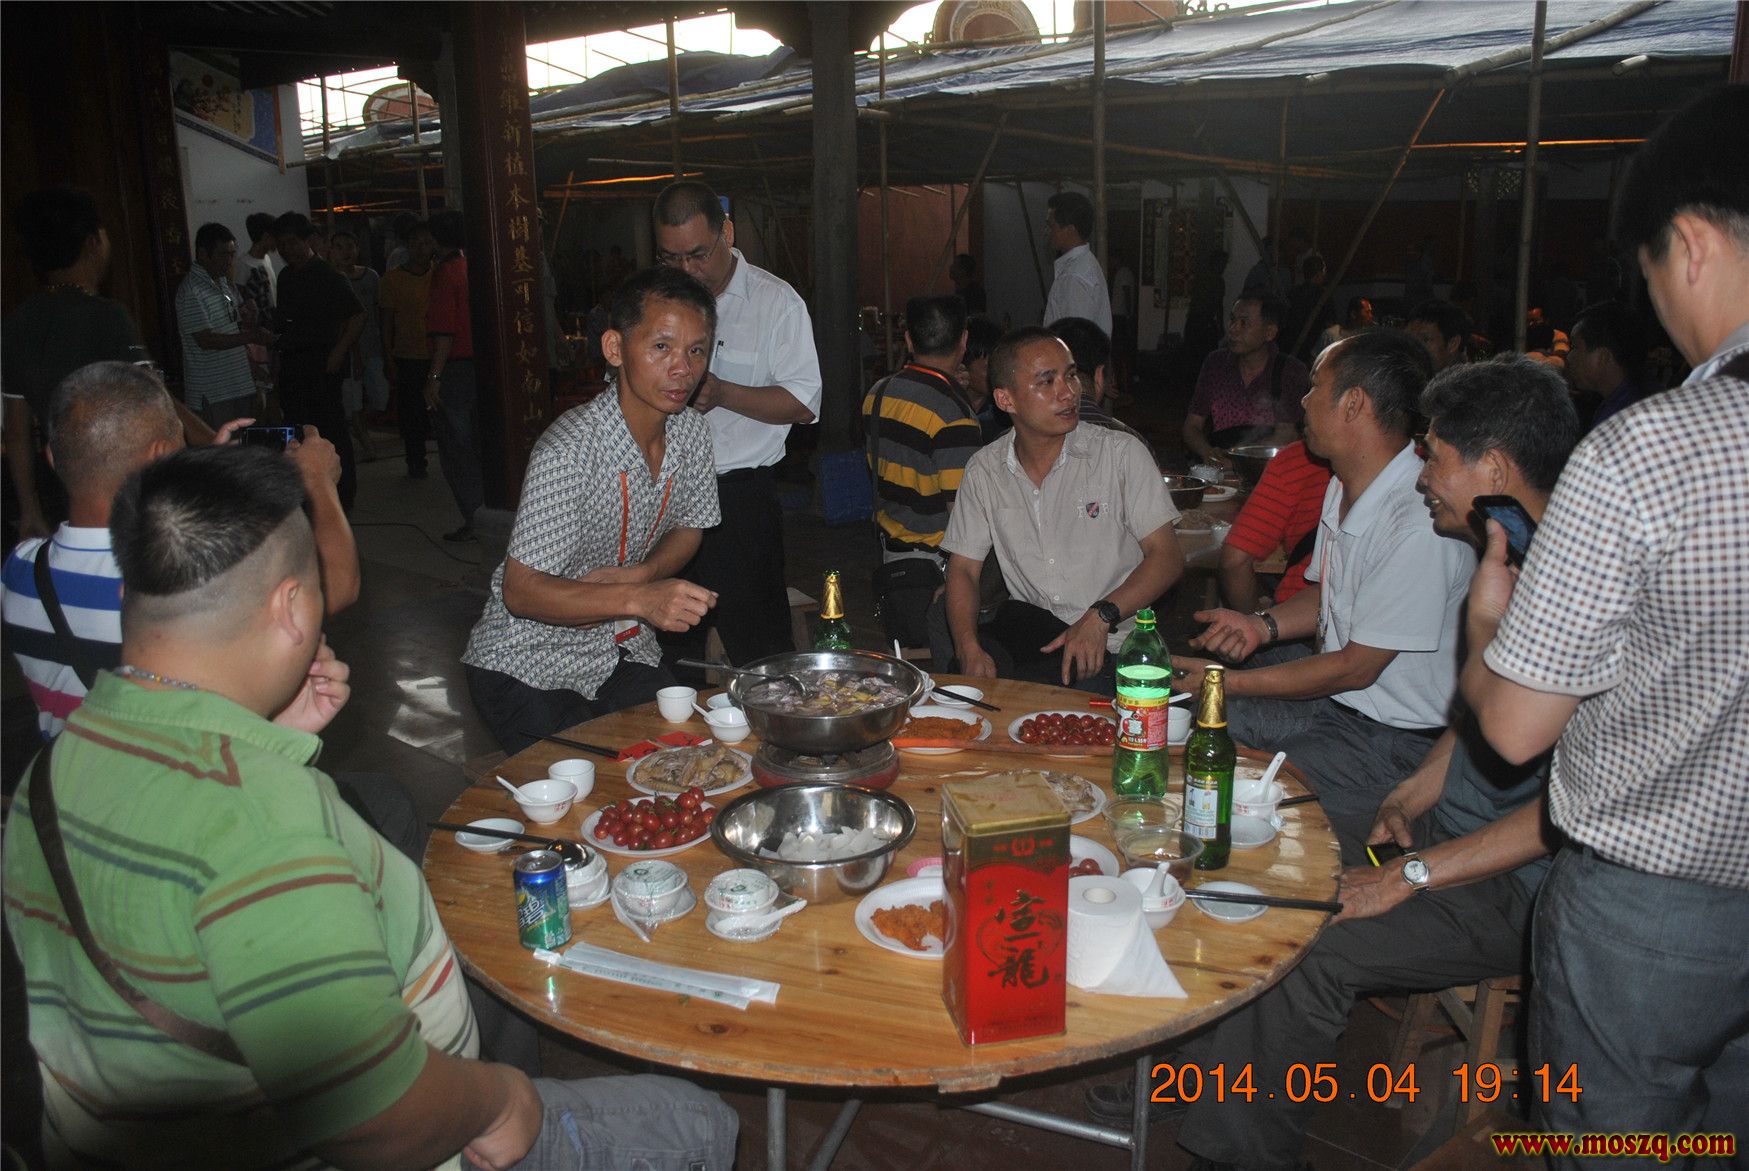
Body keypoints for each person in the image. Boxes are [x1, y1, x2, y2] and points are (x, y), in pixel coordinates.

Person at [2, 443, 738, 1171]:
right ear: (291, 607)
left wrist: (268, 734)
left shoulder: (56, 766)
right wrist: (500, 1100)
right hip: (402, 1139)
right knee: (695, 1122)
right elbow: (374, 1122)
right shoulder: (266, 826)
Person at [1136, 357, 1581, 1168]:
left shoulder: (1579, 590)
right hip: (1440, 824)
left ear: (1493, 468)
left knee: (1305, 940)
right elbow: (1479, 714)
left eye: (1434, 455)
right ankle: (1194, 1066)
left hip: (1524, 887)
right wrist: (1413, 791)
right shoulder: (1520, 559)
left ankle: (1241, 1148)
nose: (1422, 472)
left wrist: (1409, 873)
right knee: (1243, 857)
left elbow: (1571, 810)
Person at [1460, 85, 1749, 1148]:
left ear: (1691, 244)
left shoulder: (1647, 452)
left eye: (1649, 270)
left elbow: (1513, 729)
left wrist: (1487, 626)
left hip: (1652, 918)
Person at [1175, 331, 1472, 853]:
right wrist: (1260, 626)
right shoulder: (1348, 482)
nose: (1304, 401)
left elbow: (1357, 667)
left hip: (1394, 741)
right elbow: (1330, 593)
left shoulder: (1415, 520)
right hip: (1337, 708)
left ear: (1353, 403)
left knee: (1234, 793)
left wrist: (1225, 682)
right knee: (1188, 728)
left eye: (1315, 387)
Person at [1, 360, 359, 741]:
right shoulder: (178, 571)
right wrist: (318, 483)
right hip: (186, 773)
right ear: (159, 459)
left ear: (52, 458)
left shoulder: (19, 570)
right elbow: (338, 583)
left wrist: (198, 480)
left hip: (73, 771)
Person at [463, 266, 722, 757]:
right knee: (594, 787)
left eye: (697, 350)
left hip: (620, 649)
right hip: (527, 661)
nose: (682, 369)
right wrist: (639, 599)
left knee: (685, 759)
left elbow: (691, 526)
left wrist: (642, 575)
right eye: (661, 347)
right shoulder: (570, 451)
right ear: (614, 348)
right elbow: (521, 591)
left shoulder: (692, 433)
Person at [941, 327, 1183, 690]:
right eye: (1047, 381)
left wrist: (1101, 616)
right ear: (1006, 400)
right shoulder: (985, 470)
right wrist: (967, 648)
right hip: (1035, 646)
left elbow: (1167, 557)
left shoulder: (1120, 454)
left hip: (1116, 648)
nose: (1068, 392)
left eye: (1070, 375)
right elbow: (962, 569)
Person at [650, 180, 821, 670]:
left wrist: (724, 394)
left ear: (727, 233)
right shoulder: (655, 305)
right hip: (664, 493)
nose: (687, 271)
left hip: (739, 500)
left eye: (698, 255)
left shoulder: (776, 303)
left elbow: (804, 402)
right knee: (666, 647)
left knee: (760, 650)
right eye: (671, 259)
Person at [2, 187, 144, 539]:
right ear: (93, 242)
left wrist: (30, 510)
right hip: (120, 486)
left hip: (59, 492)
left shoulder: (18, 322)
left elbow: (17, 431)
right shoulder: (107, 317)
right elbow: (150, 404)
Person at [273, 212, 364, 513]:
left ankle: (343, 494)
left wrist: (339, 351)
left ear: (308, 240)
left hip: (323, 362)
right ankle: (304, 491)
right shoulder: (285, 277)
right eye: (282, 245)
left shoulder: (328, 275)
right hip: (293, 362)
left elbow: (357, 315)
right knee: (296, 428)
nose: (287, 250)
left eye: (292, 242)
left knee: (330, 429)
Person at [1181, 294, 1309, 468]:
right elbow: (1192, 426)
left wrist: (1237, 458)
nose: (1233, 329)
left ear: (1269, 332)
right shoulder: (1216, 364)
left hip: (1267, 468)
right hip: (1221, 466)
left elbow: (1286, 435)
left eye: (1244, 323)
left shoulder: (1289, 370)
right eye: (1232, 320)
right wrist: (1208, 453)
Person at [423, 209, 485, 541]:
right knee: (478, 444)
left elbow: (444, 334)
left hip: (456, 368)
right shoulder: (471, 268)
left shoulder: (445, 274)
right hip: (480, 366)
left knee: (457, 449)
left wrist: (433, 378)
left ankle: (475, 518)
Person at [175, 222, 274, 429]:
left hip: (237, 385)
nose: (229, 261)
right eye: (223, 255)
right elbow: (206, 340)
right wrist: (252, 336)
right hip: (214, 393)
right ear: (203, 254)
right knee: (222, 447)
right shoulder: (192, 291)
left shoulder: (222, 283)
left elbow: (232, 330)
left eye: (231, 254)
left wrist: (248, 319)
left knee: (243, 446)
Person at [1216, 439, 1331, 612]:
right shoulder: (1375, 470)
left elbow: (1234, 561)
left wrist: (1255, 621)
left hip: (1296, 611)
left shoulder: (1296, 460)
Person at [377, 219, 436, 478]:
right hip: (407, 354)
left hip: (437, 354)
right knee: (412, 412)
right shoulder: (392, 280)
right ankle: (415, 460)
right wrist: (388, 357)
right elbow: (386, 323)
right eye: (416, 243)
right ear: (407, 246)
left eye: (426, 243)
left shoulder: (439, 275)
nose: (422, 249)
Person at [329, 228, 388, 461]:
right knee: (353, 403)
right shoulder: (332, 279)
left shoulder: (370, 276)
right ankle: (365, 442)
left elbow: (378, 310)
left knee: (380, 396)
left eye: (349, 246)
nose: (345, 252)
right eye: (339, 247)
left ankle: (360, 426)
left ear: (357, 249)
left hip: (372, 346)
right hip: (348, 351)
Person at [1566, 299, 1654, 428]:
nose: (1569, 357)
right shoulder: (1638, 396)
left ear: (1604, 357)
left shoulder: (1622, 418)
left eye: (1575, 347)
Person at [1041, 191, 1112, 337]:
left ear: (1070, 230)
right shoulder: (1085, 264)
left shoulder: (1074, 277)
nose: (1047, 232)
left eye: (1051, 226)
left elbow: (1076, 341)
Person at [960, 314, 1008, 444]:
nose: (997, 373)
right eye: (989, 367)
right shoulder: (949, 407)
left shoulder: (1004, 413)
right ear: (963, 364)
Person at [1403, 298, 1470, 374]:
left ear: (1453, 344)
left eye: (1425, 340)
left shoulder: (1472, 380)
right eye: (1408, 339)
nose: (1412, 349)